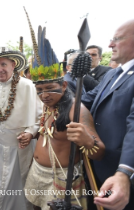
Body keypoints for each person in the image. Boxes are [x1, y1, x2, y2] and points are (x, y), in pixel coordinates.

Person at [21, 25, 105, 210]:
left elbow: (99, 152)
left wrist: (88, 142)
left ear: (64, 86)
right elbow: (48, 133)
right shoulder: (49, 105)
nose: (44, 95)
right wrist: (31, 134)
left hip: (62, 178)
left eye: (50, 88)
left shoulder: (77, 111)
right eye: (39, 90)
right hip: (37, 173)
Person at [82, 17, 134, 210]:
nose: (110, 44)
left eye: (117, 38)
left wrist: (125, 172)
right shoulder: (113, 74)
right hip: (97, 164)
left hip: (119, 171)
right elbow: (86, 100)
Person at [0, 47, 42, 210]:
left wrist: (30, 132)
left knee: (19, 185)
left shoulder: (28, 86)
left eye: (3, 64)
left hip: (20, 147)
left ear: (13, 65)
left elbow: (40, 115)